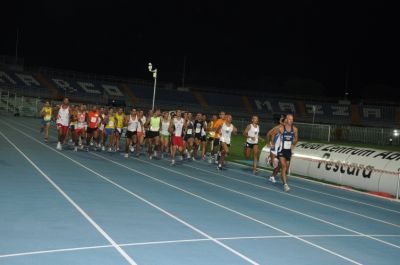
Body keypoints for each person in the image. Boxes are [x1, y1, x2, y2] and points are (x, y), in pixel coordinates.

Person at [277, 114, 298, 192]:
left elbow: (296, 139)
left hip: (288, 151)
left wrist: (293, 144)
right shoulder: (281, 128)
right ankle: (285, 185)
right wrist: (272, 145)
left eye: (292, 119)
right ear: (286, 119)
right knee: (284, 166)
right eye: (289, 119)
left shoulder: (295, 129)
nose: (291, 120)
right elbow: (275, 137)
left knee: (285, 170)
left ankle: (280, 171)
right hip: (282, 150)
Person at [266, 115, 285, 183]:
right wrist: (270, 143)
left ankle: (272, 177)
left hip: (281, 150)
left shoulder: (287, 129)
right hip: (275, 148)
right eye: (283, 121)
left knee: (279, 165)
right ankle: (269, 160)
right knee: (274, 165)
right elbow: (268, 134)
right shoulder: (278, 128)